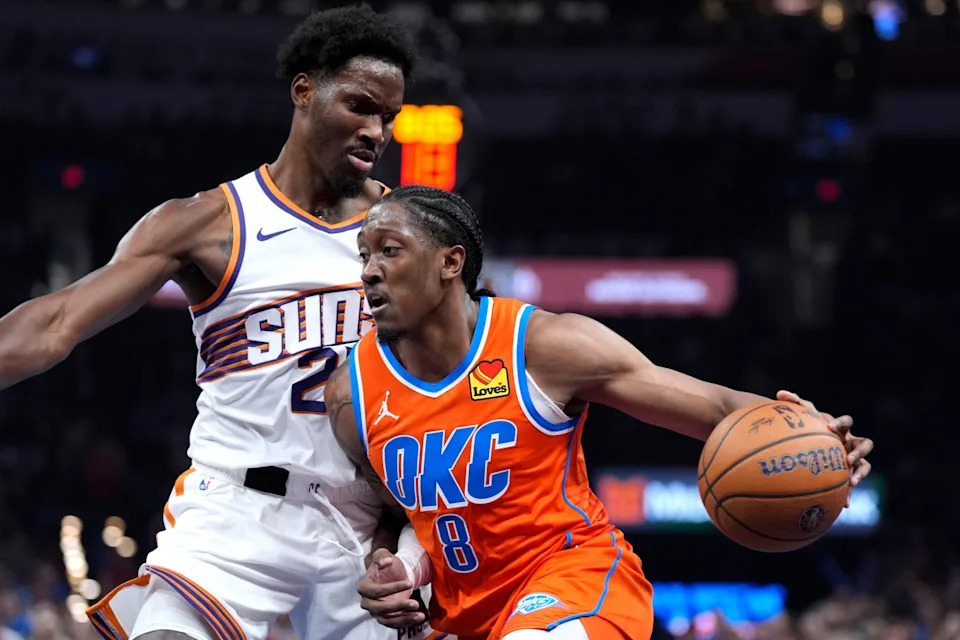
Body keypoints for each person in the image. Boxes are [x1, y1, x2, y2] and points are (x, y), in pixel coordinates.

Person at [0, 6, 430, 640]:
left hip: (369, 529)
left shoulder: (412, 231)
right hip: (237, 516)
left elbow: (466, 382)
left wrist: (415, 548)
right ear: (304, 90)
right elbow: (57, 321)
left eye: (388, 118)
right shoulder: (208, 222)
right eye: (362, 106)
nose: (376, 131)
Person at [324, 185, 875, 640]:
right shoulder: (353, 394)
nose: (370, 270)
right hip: (460, 615)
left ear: (450, 261)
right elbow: (399, 516)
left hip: (572, 578)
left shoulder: (543, 345)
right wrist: (392, 569)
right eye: (364, 256)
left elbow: (716, 407)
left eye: (390, 250)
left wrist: (817, 436)